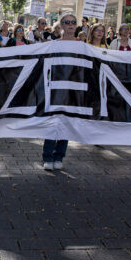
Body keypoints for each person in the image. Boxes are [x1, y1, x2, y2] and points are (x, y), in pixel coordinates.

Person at [42, 14, 78, 171]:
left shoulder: (82, 46)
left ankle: (59, 156)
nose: (70, 25)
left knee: (66, 123)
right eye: (67, 22)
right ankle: (47, 156)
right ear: (61, 26)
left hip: (74, 90)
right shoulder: (54, 45)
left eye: (73, 22)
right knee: (53, 123)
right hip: (55, 89)